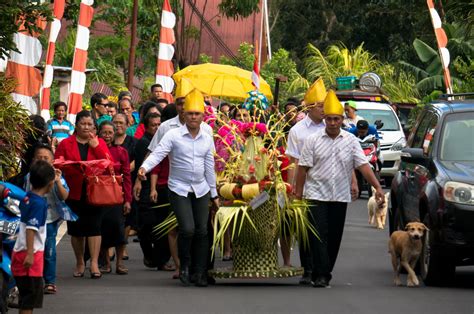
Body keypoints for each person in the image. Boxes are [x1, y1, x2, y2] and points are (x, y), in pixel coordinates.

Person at [294, 90, 385, 288]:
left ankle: (324, 271)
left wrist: (377, 187)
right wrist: (298, 193)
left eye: (336, 119)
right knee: (318, 234)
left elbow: (363, 165)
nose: (332, 123)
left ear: (342, 119)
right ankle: (321, 274)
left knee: (334, 237)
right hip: (316, 194)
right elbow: (302, 169)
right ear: (325, 119)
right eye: (329, 119)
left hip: (340, 195)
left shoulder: (351, 141)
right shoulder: (313, 140)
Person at [137, 89, 219, 287]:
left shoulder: (207, 136)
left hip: (201, 188)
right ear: (183, 114)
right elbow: (158, 153)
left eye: (196, 114)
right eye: (189, 113)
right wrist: (144, 168)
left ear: (202, 116)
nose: (192, 117)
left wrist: (214, 194)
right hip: (178, 188)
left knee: (202, 231)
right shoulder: (173, 134)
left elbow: (209, 168)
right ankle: (184, 266)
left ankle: (200, 273)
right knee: (188, 228)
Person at [55, 110, 112, 279]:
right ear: (76, 125)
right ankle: (80, 261)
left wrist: (97, 148)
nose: (86, 127)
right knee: (77, 229)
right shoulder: (66, 143)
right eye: (83, 124)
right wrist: (69, 165)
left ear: (94, 126)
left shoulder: (99, 142)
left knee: (95, 227)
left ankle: (94, 263)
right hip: (73, 190)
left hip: (95, 191)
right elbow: (58, 163)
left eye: (90, 124)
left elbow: (109, 165)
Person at [285, 78, 327, 284]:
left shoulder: (332, 126)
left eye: (325, 105)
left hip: (328, 185)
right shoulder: (297, 131)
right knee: (305, 227)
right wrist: (292, 188)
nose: (323, 110)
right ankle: (308, 268)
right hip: (305, 184)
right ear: (309, 107)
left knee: (324, 229)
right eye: (320, 106)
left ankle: (322, 268)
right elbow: (292, 161)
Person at [25, 145, 72, 295]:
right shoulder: (28, 177)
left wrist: (57, 181)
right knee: (32, 248)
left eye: (46, 158)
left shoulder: (56, 176)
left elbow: (65, 196)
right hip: (32, 218)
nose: (43, 160)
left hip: (50, 219)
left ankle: (50, 281)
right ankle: (34, 278)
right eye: (39, 157)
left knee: (49, 251)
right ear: (33, 160)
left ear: (52, 161)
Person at [11, 160, 55, 313]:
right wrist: (30, 253)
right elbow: (31, 228)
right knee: (30, 299)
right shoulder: (39, 204)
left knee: (25, 297)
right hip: (30, 255)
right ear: (50, 183)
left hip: (20, 251)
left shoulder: (27, 198)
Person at [133, 113, 172, 271]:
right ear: (146, 127)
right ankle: (150, 254)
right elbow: (144, 165)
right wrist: (139, 182)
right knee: (147, 223)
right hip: (146, 184)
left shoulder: (165, 138)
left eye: (158, 124)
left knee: (161, 224)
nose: (157, 128)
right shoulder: (143, 143)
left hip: (160, 185)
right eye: (153, 125)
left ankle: (160, 258)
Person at [98, 121, 132, 275]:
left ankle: (119, 263)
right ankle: (105, 263)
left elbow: (127, 176)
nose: (107, 136)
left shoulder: (121, 151)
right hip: (99, 196)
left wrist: (128, 200)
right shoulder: (95, 150)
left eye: (110, 133)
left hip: (117, 195)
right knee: (102, 229)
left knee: (119, 228)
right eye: (104, 132)